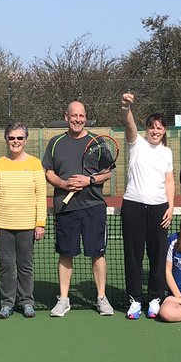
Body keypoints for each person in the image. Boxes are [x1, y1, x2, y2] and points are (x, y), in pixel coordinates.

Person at [43, 100, 115, 317]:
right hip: (66, 208)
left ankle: (101, 298)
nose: (78, 119)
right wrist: (64, 184)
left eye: (81, 115)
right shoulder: (55, 143)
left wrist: (89, 180)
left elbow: (108, 172)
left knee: (97, 253)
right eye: (74, 115)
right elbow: (48, 172)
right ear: (67, 117)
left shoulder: (97, 142)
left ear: (86, 117)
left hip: (93, 206)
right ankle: (64, 300)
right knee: (66, 254)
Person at [119, 92, 175, 319]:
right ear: (147, 129)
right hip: (133, 206)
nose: (155, 131)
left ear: (164, 131)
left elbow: (169, 180)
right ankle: (135, 300)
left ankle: (154, 298)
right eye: (152, 127)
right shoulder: (136, 143)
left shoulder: (167, 152)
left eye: (159, 128)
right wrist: (126, 107)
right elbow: (129, 124)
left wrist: (170, 206)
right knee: (133, 256)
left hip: (159, 209)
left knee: (158, 256)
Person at [0, 121, 46, 319]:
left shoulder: (35, 163)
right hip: (3, 225)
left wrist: (40, 224)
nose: (16, 141)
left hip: (27, 226)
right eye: (12, 137)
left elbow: (41, 195)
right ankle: (7, 303)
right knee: (7, 266)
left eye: (20, 137)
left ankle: (27, 302)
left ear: (25, 140)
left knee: (25, 266)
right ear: (6, 139)